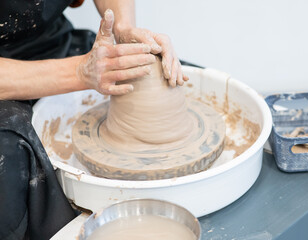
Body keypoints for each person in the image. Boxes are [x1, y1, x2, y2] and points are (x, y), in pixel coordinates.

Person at [0, 0, 187, 239]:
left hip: (49, 42)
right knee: (8, 154)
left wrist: (123, 29)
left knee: (163, 74)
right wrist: (78, 72)